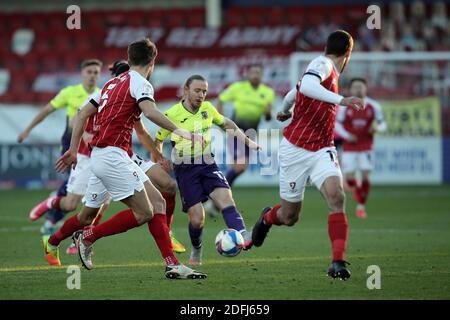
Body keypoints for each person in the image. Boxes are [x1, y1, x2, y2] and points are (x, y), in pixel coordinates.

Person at [54, 38, 205, 279]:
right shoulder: (140, 83)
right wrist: (182, 132)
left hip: (111, 155)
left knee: (158, 203)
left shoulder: (112, 83)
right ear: (152, 61)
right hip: (112, 155)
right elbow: (150, 111)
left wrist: (73, 149)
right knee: (145, 212)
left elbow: (82, 113)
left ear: (130, 57)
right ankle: (88, 236)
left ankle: (172, 264)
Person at [251, 30, 364, 280]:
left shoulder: (325, 70)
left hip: (323, 148)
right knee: (289, 217)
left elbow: (296, 90)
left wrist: (283, 110)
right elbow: (309, 85)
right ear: (348, 53)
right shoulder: (322, 63)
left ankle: (337, 261)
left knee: (337, 197)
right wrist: (342, 100)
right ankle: (268, 218)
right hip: (295, 149)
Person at [154, 75, 260, 266]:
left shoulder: (208, 109)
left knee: (226, 198)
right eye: (197, 90)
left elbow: (226, 124)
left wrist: (247, 140)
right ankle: (197, 249)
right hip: (185, 169)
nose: (201, 95)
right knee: (197, 219)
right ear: (186, 90)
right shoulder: (171, 115)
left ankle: (243, 234)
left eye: (204, 91)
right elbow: (158, 139)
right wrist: (160, 158)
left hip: (207, 163)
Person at [17, 59, 102, 236]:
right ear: (82, 74)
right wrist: (27, 130)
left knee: (82, 188)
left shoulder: (102, 94)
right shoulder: (69, 92)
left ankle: (55, 205)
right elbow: (46, 110)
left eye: (96, 72)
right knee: (74, 186)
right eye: (89, 72)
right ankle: (53, 217)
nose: (92, 75)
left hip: (91, 145)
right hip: (71, 142)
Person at [335, 78, 386, 219]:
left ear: (366, 88)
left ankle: (361, 207)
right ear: (350, 90)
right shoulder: (344, 107)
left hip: (366, 147)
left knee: (366, 177)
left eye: (361, 86)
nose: (358, 89)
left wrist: (377, 128)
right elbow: (337, 125)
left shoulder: (374, 106)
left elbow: (383, 125)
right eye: (355, 87)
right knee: (350, 179)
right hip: (350, 147)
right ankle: (356, 187)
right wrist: (347, 135)